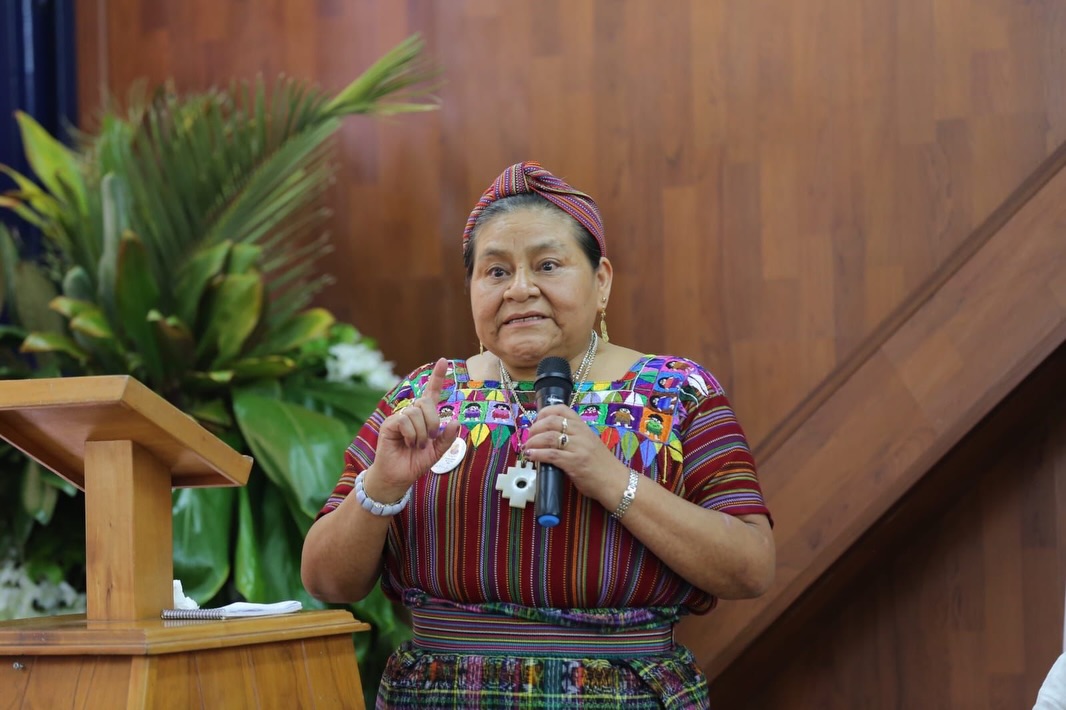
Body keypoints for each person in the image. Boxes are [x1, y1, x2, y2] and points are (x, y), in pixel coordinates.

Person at [302, 161, 775, 708]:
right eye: (496, 272)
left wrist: (611, 479)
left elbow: (751, 565)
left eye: (548, 265)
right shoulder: (423, 401)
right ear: (472, 289)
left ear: (601, 283)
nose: (520, 289)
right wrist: (383, 486)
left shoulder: (675, 394)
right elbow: (325, 581)